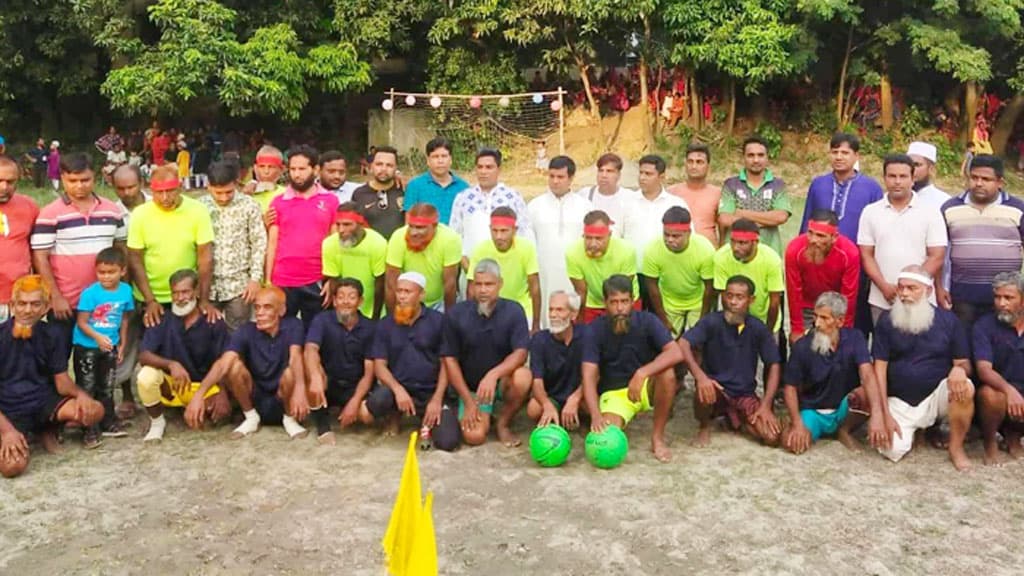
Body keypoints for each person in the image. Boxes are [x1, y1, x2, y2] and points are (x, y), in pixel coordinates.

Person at [0, 275, 105, 478]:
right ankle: (15, 434)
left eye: (35, 304)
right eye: (22, 303)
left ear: (46, 306)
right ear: (12, 305)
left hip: (42, 402)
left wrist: (82, 395)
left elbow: (62, 382)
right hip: (6, 407)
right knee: (12, 468)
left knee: (95, 410)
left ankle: (45, 430)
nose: (28, 310)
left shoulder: (53, 334)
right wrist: (6, 431)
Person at [871, 266, 974, 471]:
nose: (905, 294)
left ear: (928, 291)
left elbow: (963, 362)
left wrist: (960, 370)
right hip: (898, 400)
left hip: (936, 397)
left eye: (912, 288)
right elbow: (879, 370)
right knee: (892, 449)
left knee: (965, 387)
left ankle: (956, 448)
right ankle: (916, 431)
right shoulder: (886, 320)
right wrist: (883, 414)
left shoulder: (949, 321)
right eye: (901, 288)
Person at [582, 275, 683, 462]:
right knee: (607, 437)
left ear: (633, 301)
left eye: (624, 301)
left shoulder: (648, 321)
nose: (620, 308)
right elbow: (588, 376)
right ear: (605, 303)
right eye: (614, 302)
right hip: (614, 394)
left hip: (644, 385)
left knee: (667, 374)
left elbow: (676, 353)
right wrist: (595, 415)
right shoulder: (594, 330)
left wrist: (642, 372)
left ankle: (657, 438)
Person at [31, 152, 128, 348]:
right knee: (58, 359)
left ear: (96, 176)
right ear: (62, 178)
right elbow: (40, 257)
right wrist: (55, 296)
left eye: (85, 180)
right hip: (66, 303)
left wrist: (122, 290)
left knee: (101, 358)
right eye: (72, 180)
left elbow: (121, 250)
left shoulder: (112, 210)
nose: (79, 186)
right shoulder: (50, 213)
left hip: (104, 302)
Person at [679, 275, 782, 447]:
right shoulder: (711, 322)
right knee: (704, 390)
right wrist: (700, 377)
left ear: (751, 300)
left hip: (744, 394)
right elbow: (683, 343)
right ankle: (704, 427)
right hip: (716, 390)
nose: (733, 302)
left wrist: (766, 404)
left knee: (771, 437)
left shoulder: (758, 328)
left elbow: (774, 364)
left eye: (739, 297)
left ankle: (734, 421)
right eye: (729, 296)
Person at [362, 272, 460, 450]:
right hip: (398, 391)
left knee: (448, 442)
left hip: (431, 391)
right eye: (399, 291)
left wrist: (437, 399)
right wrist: (398, 389)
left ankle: (427, 419)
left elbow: (447, 363)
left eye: (408, 291)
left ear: (421, 294)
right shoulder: (385, 324)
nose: (401, 296)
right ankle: (394, 415)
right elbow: (379, 365)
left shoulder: (439, 321)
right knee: (371, 408)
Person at [781, 292, 887, 454]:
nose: (817, 323)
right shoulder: (802, 346)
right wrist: (797, 423)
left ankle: (844, 430)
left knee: (865, 392)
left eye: (824, 318)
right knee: (791, 443)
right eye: (816, 316)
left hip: (845, 408)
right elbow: (790, 388)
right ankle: (807, 427)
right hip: (813, 411)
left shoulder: (855, 338)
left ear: (840, 321)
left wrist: (877, 415)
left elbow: (867, 374)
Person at [199, 287, 310, 439]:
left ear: (281, 311)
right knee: (234, 367)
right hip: (255, 398)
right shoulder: (246, 330)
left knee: (291, 372)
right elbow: (223, 363)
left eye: (267, 307)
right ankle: (251, 418)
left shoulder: (293, 326)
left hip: (284, 397)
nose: (259, 312)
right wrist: (199, 394)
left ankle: (289, 419)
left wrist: (299, 389)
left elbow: (296, 357)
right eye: (257, 307)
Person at [441, 260, 531, 447]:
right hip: (470, 388)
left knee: (523, 376)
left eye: (489, 284)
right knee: (475, 437)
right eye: (478, 284)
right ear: (471, 286)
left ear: (500, 284)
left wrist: (493, 375)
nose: (483, 290)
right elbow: (449, 359)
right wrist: (468, 400)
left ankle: (503, 424)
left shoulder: (514, 311)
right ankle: (479, 411)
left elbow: (521, 353)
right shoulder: (456, 314)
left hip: (499, 384)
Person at [136, 269, 232, 442]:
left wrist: (223, 392)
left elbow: (224, 361)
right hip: (174, 386)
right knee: (146, 376)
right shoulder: (162, 318)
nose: (180, 298)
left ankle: (197, 406)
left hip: (205, 385)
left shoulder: (213, 321)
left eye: (185, 292)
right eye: (175, 293)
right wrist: (172, 364)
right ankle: (157, 423)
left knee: (216, 415)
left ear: (196, 292)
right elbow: (144, 355)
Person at [858, 154, 947, 326]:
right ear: (884, 178)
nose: (897, 181)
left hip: (921, 300)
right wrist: (884, 286)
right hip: (882, 298)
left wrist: (912, 286)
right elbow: (866, 255)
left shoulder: (931, 212)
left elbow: (937, 256)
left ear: (913, 179)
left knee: (922, 350)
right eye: (892, 176)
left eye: (903, 176)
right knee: (884, 349)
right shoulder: (870, 212)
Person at [127, 165, 217, 329]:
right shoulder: (140, 214)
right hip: (150, 296)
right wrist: (150, 301)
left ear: (180, 187)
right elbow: (135, 259)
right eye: (158, 192)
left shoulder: (198, 211)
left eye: (170, 191)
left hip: (186, 295)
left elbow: (205, 258)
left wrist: (203, 299)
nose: (164, 197)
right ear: (150, 190)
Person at [939, 154, 1024, 327]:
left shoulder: (1018, 209)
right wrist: (941, 288)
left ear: (1000, 182)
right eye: (974, 177)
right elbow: (940, 253)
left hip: (1005, 299)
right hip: (962, 297)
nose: (978, 183)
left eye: (986, 179)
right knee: (964, 347)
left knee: (1001, 348)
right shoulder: (950, 208)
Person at [266, 146, 339, 330]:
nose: (297, 174)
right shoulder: (278, 202)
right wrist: (268, 281)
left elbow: (335, 242)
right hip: (283, 280)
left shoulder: (331, 201)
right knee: (281, 334)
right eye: (293, 169)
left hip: (317, 280)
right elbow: (272, 243)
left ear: (315, 170)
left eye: (302, 169)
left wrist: (332, 279)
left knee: (317, 335)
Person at [71, 248, 134, 447]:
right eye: (101, 272)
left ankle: (108, 421)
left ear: (122, 271)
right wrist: (98, 337)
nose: (106, 277)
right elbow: (82, 322)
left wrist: (122, 343)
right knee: (87, 387)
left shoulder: (126, 291)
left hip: (110, 346)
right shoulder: (90, 294)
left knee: (107, 386)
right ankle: (89, 428)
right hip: (87, 346)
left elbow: (124, 318)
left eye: (111, 272)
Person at [304, 278, 377, 445]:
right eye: (341, 297)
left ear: (360, 301)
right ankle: (323, 426)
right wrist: (315, 377)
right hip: (329, 381)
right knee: (311, 368)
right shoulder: (322, 320)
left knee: (366, 416)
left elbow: (369, 372)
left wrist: (355, 401)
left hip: (355, 385)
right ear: (334, 301)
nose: (345, 301)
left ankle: (347, 408)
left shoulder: (370, 328)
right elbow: (310, 348)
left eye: (351, 297)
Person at [200, 160, 267, 332]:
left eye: (229, 192)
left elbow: (258, 242)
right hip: (207, 286)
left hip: (239, 286)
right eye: (218, 193)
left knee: (238, 335)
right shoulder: (199, 207)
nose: (224, 198)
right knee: (206, 333)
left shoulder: (249, 205)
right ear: (208, 186)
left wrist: (255, 279)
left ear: (236, 184)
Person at [528, 156, 592, 327]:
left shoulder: (585, 207)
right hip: (544, 274)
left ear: (571, 178)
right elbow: (529, 244)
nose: (555, 181)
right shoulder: (534, 207)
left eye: (560, 177)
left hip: (575, 276)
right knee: (546, 321)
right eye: (551, 176)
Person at [622, 154, 688, 308]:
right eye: (641, 173)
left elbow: (687, 239)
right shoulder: (626, 203)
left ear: (662, 176)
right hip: (634, 273)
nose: (642, 178)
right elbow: (617, 238)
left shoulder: (676, 204)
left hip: (665, 274)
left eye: (649, 174)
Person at [785, 209, 860, 341]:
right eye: (810, 233)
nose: (813, 240)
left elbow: (849, 296)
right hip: (806, 308)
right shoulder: (794, 249)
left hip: (834, 308)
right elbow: (793, 291)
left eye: (821, 236)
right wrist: (797, 328)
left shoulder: (849, 253)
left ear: (834, 237)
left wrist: (844, 330)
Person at [642, 206, 716, 337]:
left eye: (676, 236)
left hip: (697, 303)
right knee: (667, 343)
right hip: (669, 303)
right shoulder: (652, 249)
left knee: (696, 342)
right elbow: (652, 287)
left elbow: (709, 288)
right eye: (666, 234)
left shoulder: (705, 249)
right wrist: (663, 319)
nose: (670, 240)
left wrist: (702, 320)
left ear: (689, 233)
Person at [974, 272, 1024, 464]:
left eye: (1008, 298)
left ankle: (1014, 436)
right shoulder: (984, 326)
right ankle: (989, 442)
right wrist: (1009, 390)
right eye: (997, 297)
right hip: (999, 392)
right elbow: (984, 370)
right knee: (990, 395)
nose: (1001, 303)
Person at [449, 148, 531, 263]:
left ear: (499, 169)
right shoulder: (463, 198)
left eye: (489, 167)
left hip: (508, 267)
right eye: (480, 167)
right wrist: (464, 261)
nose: (483, 171)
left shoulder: (512, 197)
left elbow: (525, 233)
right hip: (471, 269)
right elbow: (455, 234)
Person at [467, 207, 541, 331]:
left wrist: (536, 324)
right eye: (494, 231)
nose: (498, 236)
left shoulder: (526, 248)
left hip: (521, 307)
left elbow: (535, 287)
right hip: (489, 308)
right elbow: (471, 289)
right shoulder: (481, 249)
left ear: (514, 230)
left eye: (504, 231)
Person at [800, 133, 883, 242]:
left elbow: (878, 228)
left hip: (857, 255)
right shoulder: (818, 185)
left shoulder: (871, 188)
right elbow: (807, 222)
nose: (839, 157)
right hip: (820, 252)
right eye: (835, 152)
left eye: (845, 153)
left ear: (857, 156)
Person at [718, 135, 791, 255]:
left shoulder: (778, 185)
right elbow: (725, 219)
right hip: (735, 253)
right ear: (744, 158)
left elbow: (781, 217)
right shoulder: (731, 184)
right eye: (751, 155)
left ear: (767, 157)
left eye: (760, 155)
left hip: (768, 253)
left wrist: (741, 213)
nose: (756, 160)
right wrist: (767, 219)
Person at [385, 203, 461, 312]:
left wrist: (449, 319)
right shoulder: (398, 237)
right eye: (411, 226)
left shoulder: (450, 239)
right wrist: (392, 318)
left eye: (420, 228)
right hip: (405, 302)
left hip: (438, 303)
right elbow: (391, 283)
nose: (413, 232)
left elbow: (450, 284)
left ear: (435, 225)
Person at [528, 291, 588, 428]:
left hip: (579, 394)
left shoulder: (586, 336)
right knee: (533, 409)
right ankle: (556, 413)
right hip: (552, 395)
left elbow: (594, 375)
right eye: (551, 309)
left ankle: (572, 413)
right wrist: (546, 404)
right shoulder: (539, 340)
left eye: (560, 310)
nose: (553, 315)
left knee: (594, 407)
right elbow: (537, 381)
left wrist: (575, 398)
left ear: (573, 314)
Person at [566, 210, 638, 323]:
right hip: (593, 302)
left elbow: (622, 291)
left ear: (609, 235)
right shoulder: (572, 253)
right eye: (588, 238)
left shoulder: (626, 251)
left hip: (623, 299)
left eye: (599, 239)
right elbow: (581, 291)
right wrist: (580, 323)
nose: (593, 244)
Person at [713, 219, 784, 334]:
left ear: (755, 242)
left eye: (742, 243)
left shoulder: (772, 259)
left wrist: (767, 333)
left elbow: (774, 302)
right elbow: (725, 298)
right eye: (733, 242)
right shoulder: (721, 257)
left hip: (764, 319)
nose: (735, 247)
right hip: (735, 319)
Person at [322, 203, 387, 320]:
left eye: (347, 225)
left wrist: (374, 318)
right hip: (344, 308)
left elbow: (380, 284)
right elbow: (334, 280)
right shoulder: (329, 244)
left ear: (360, 224)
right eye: (338, 225)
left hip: (371, 310)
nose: (341, 230)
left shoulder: (378, 243)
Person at [0, 155, 39, 324]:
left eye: (11, 182)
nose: (4, 187)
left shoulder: (29, 206)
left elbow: (37, 250)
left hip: (20, 299)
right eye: (0, 180)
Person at [404, 138, 469, 225]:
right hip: (424, 237)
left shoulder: (463, 187)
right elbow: (408, 220)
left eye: (444, 156)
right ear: (428, 160)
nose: (440, 161)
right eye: (435, 157)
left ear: (451, 160)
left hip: (454, 237)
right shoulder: (415, 186)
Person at [668, 143, 721, 246]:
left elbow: (724, 227)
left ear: (708, 166)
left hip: (708, 252)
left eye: (699, 162)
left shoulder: (718, 194)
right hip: (677, 251)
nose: (694, 166)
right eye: (690, 162)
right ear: (685, 164)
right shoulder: (672, 192)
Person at [351, 146, 405, 239]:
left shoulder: (405, 190)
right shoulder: (359, 194)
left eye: (389, 165)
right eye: (379, 164)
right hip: (370, 251)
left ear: (396, 168)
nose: (384, 169)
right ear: (371, 166)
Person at [576, 153, 632, 237]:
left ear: (618, 175)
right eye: (601, 170)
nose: (604, 175)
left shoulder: (629, 197)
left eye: (609, 171)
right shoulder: (585, 195)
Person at [906, 141, 949, 211]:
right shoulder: (893, 198)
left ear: (931, 169)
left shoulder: (943, 202)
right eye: (908, 164)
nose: (911, 169)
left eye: (917, 165)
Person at [243, 145, 286, 212]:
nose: (266, 171)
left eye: (271, 167)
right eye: (262, 166)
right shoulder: (247, 192)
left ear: (281, 169)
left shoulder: (286, 194)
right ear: (255, 168)